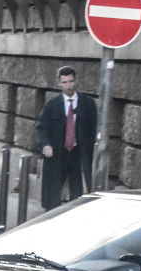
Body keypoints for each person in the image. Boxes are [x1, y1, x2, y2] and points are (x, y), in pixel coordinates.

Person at [35, 65, 97, 210]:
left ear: (75, 81)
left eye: (71, 81)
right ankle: (51, 215)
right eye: (65, 82)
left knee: (78, 190)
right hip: (58, 152)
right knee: (53, 190)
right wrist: (45, 144)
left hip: (78, 153)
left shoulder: (87, 104)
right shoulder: (52, 105)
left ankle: (74, 215)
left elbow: (94, 129)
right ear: (59, 84)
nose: (68, 86)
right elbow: (41, 127)